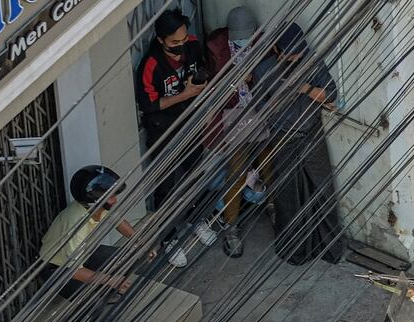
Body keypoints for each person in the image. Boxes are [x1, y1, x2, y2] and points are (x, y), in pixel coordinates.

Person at [251, 22, 343, 265]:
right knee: (288, 195)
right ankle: (296, 250)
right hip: (283, 137)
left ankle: (329, 248)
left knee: (322, 189)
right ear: (277, 50)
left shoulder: (311, 61)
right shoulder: (264, 71)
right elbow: (260, 108)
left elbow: (330, 93)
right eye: (290, 54)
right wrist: (282, 98)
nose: (295, 58)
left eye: (298, 53)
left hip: (312, 132)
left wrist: (304, 88)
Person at [135, 8, 211, 267]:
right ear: (161, 41)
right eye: (174, 43)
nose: (180, 46)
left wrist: (199, 82)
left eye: (183, 39)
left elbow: (201, 67)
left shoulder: (191, 45)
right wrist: (186, 94)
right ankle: (169, 238)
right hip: (163, 130)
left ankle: (196, 219)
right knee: (165, 186)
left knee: (195, 174)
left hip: (190, 123)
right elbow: (150, 104)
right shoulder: (151, 65)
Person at [202, 5, 272, 257]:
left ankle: (273, 207)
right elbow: (214, 90)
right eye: (238, 38)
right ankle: (232, 228)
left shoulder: (263, 48)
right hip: (233, 119)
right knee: (236, 173)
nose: (242, 42)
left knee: (269, 163)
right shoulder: (218, 53)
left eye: (247, 37)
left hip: (261, 113)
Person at [39, 166, 154, 300]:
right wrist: (110, 280)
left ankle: (109, 291)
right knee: (92, 302)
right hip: (59, 269)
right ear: (94, 198)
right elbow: (73, 270)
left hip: (85, 255)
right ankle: (89, 309)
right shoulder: (76, 223)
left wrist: (141, 242)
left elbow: (118, 221)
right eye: (111, 197)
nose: (115, 200)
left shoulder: (96, 207)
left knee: (131, 256)